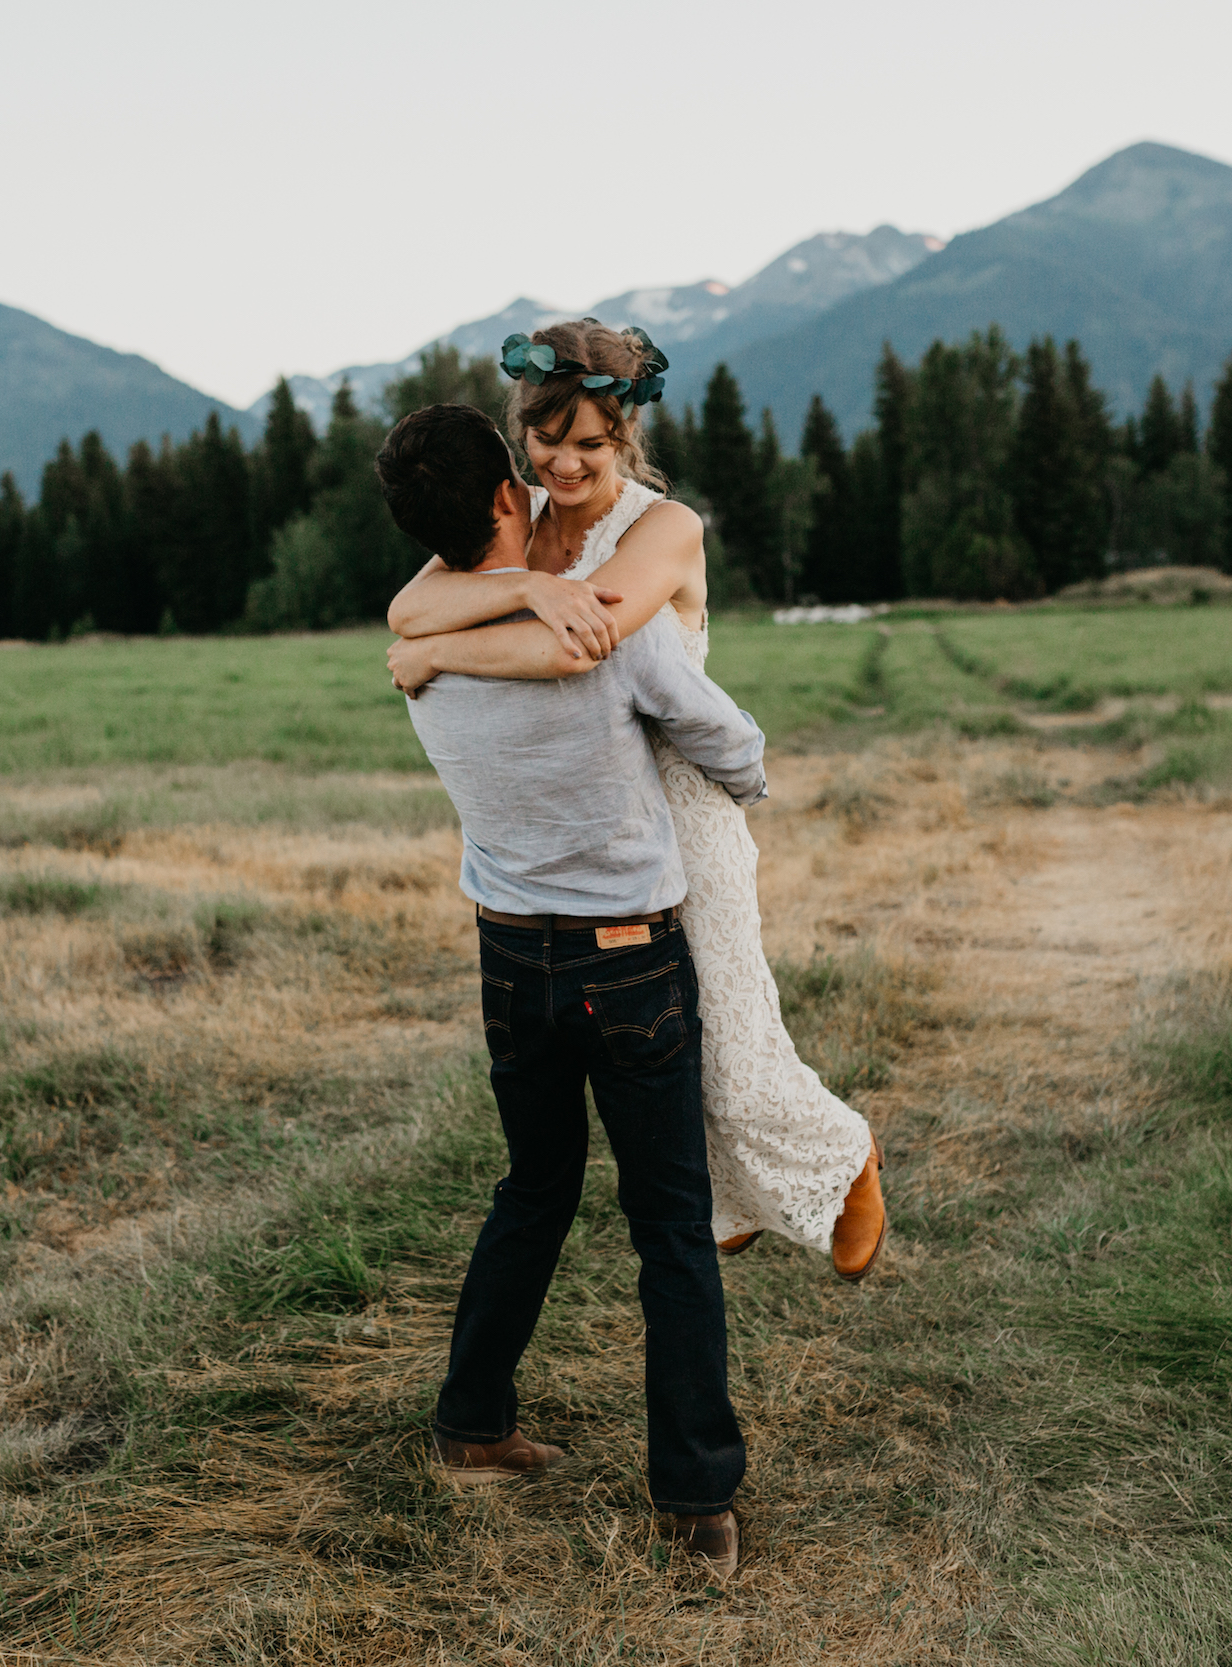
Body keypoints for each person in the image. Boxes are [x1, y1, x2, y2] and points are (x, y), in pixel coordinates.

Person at [385, 319, 885, 1281]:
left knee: (730, 1042)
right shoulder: (519, 518)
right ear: (519, 431)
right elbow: (409, 606)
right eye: (546, 440)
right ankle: (730, 1198)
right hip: (593, 810)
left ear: (626, 440)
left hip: (683, 810)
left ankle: (844, 1156)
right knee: (660, 1050)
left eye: (590, 444)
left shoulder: (664, 529)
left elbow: (580, 647)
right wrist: (527, 585)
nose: (564, 465)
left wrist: (443, 649)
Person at [373, 400, 766, 1579]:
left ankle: (471, 1423)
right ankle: (696, 1501)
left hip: (508, 954)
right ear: (508, 496)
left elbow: (419, 619)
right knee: (669, 1226)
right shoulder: (610, 625)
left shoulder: (423, 657)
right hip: (628, 956)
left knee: (533, 1188)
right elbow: (733, 746)